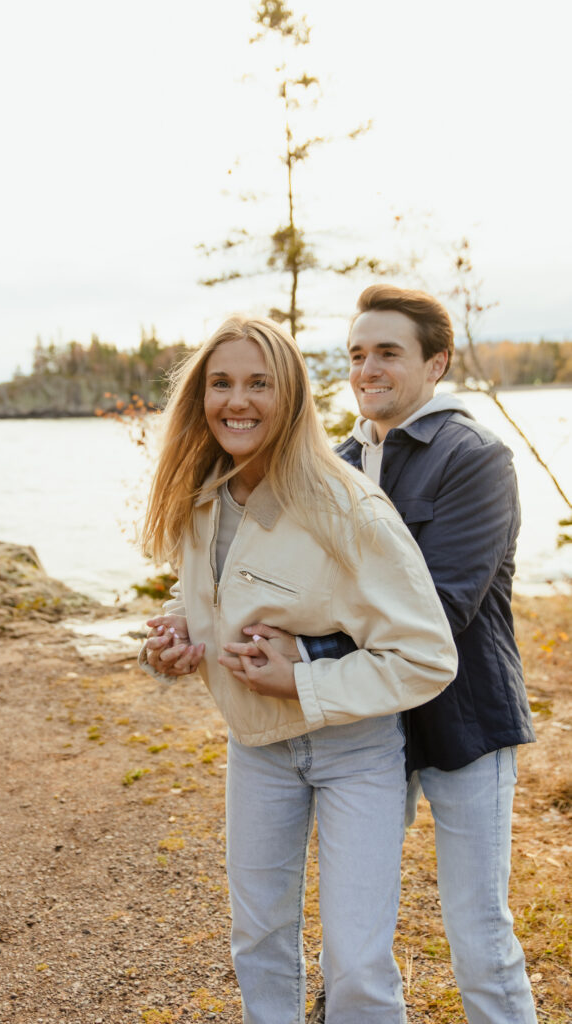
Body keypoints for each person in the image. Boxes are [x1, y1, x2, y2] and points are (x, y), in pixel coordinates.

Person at [230, 287, 538, 1024]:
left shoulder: (475, 460)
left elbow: (440, 603)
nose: (367, 368)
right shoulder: (331, 462)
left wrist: (304, 651)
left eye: (387, 353)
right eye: (356, 353)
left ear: (435, 363)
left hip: (462, 724)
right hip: (364, 723)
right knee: (356, 930)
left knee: (475, 928)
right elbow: (287, 578)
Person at [138, 314, 457, 1024]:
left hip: (354, 753)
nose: (236, 401)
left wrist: (302, 677)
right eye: (220, 383)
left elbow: (426, 656)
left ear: (292, 398)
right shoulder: (200, 500)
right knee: (258, 940)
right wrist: (173, 648)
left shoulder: (348, 507)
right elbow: (215, 611)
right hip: (255, 750)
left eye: (259, 384)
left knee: (357, 965)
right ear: (200, 398)